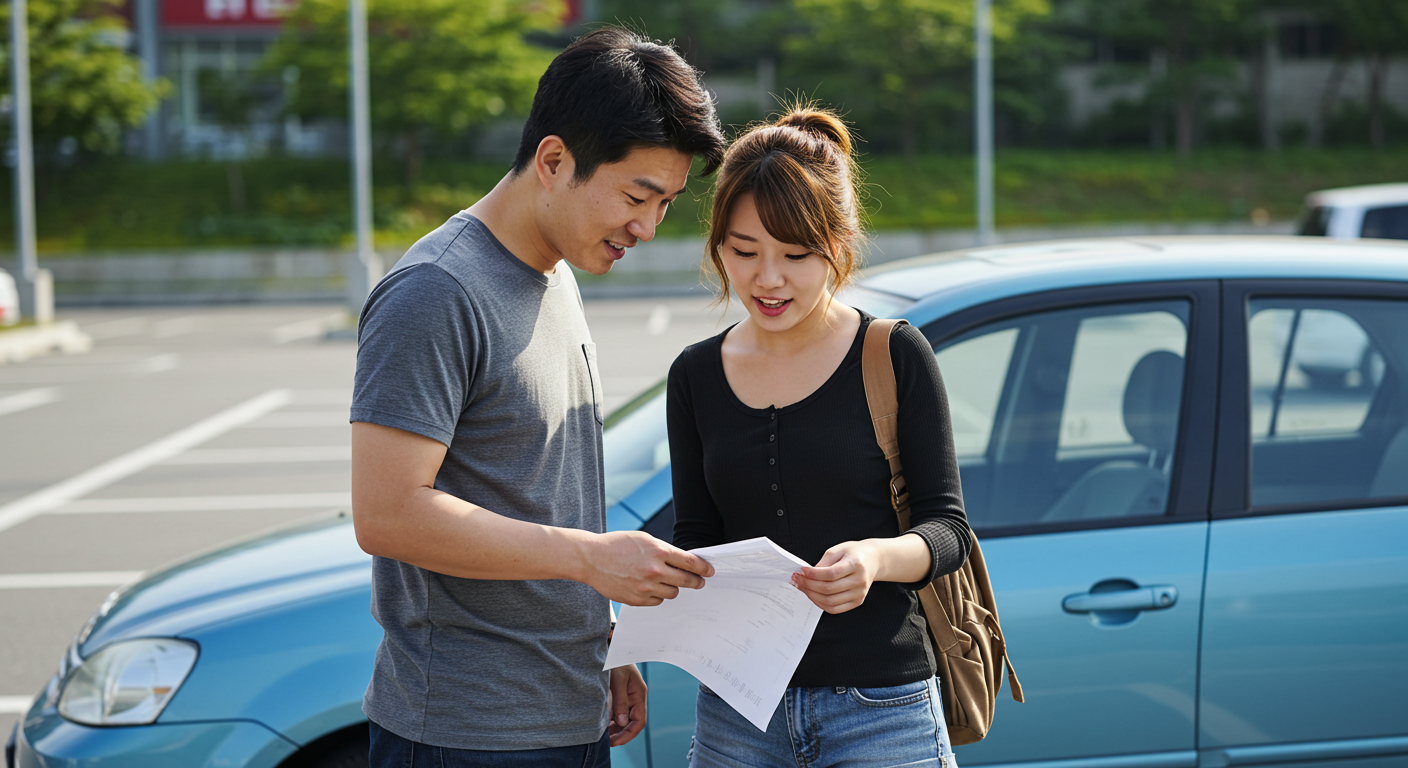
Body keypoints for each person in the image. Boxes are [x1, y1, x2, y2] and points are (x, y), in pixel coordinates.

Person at [350, 27, 726, 768]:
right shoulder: (436, 291)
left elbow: (540, 492)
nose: (648, 227)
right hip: (465, 733)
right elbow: (388, 513)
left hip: (568, 713)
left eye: (667, 203)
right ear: (554, 161)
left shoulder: (556, 271)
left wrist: (605, 626)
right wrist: (590, 561)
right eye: (637, 196)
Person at [667, 106, 972, 768]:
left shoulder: (894, 354)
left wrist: (873, 560)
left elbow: (948, 529)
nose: (766, 279)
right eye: (743, 251)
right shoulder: (694, 374)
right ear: (718, 244)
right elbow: (696, 531)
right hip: (737, 707)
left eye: (794, 255)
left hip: (880, 707)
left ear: (837, 245)